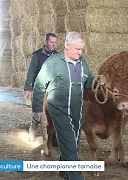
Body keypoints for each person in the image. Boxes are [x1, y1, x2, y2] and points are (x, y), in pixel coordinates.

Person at [32, 32, 102, 180]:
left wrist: (95, 81)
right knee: (69, 141)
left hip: (77, 107)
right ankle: (75, 176)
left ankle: (63, 170)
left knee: (74, 139)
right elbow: (39, 85)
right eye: (77, 49)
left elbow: (87, 81)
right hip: (58, 107)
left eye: (82, 49)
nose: (80, 52)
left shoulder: (82, 63)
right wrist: (37, 108)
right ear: (67, 46)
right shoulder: (53, 62)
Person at [23, 32, 58, 142]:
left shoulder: (58, 56)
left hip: (53, 90)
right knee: (39, 112)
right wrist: (27, 89)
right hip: (40, 89)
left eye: (55, 42)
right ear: (45, 42)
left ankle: (53, 138)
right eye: (51, 42)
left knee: (53, 113)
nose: (54, 44)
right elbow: (31, 73)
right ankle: (33, 129)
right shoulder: (37, 56)